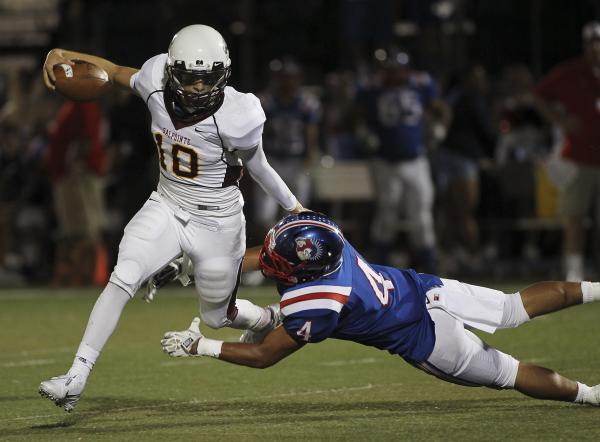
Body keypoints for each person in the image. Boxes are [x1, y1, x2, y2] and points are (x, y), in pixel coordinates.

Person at [38, 24, 305, 412]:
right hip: (166, 204)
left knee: (217, 317)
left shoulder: (240, 113)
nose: (197, 88)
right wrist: (62, 53)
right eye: (189, 78)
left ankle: (265, 318)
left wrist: (294, 206)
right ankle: (76, 375)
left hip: (217, 222)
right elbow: (112, 72)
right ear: (172, 71)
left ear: (223, 74)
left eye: (206, 79)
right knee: (123, 275)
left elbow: (259, 167)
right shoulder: (154, 77)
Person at [161, 211, 600, 406]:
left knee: (509, 372)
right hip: (428, 292)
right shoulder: (327, 238)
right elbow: (276, 251)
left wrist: (202, 346)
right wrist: (198, 265)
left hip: (427, 341)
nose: (267, 257)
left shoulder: (320, 303)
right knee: (511, 307)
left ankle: (589, 396)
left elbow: (262, 356)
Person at [356, 48, 449, 271]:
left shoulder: (421, 83)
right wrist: (362, 131)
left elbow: (440, 109)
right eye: (389, 70)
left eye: (397, 70)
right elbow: (357, 113)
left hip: (416, 160)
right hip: (385, 161)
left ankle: (429, 266)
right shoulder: (372, 88)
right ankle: (379, 267)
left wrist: (441, 127)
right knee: (387, 212)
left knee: (421, 215)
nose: (393, 75)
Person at [534, 21, 600, 282]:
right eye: (592, 42)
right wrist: (560, 121)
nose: (596, 47)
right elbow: (539, 95)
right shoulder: (572, 72)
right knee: (575, 216)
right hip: (580, 157)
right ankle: (574, 271)